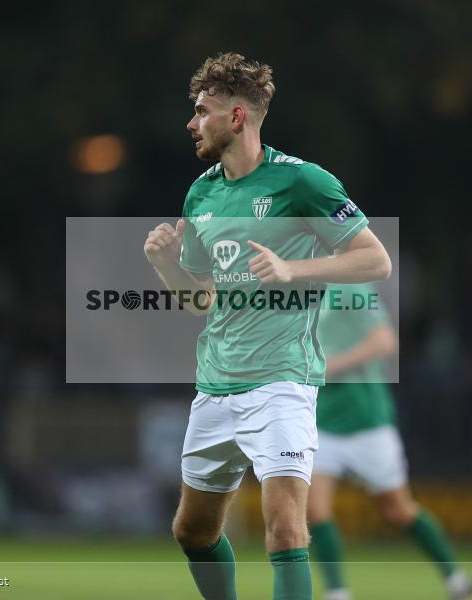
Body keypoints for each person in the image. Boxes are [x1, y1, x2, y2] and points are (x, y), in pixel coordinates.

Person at [143, 52, 391, 600]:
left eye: (202, 110)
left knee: (284, 528)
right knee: (192, 530)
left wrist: (293, 268)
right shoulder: (201, 193)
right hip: (215, 385)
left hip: (282, 382)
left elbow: (376, 260)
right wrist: (166, 265)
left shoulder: (303, 182)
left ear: (235, 118)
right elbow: (201, 299)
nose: (191, 122)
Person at [309, 282, 472, 600]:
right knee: (315, 512)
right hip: (321, 422)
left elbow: (385, 342)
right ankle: (337, 592)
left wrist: (331, 365)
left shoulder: (350, 287)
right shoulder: (297, 292)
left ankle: (456, 579)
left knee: (398, 510)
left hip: (367, 421)